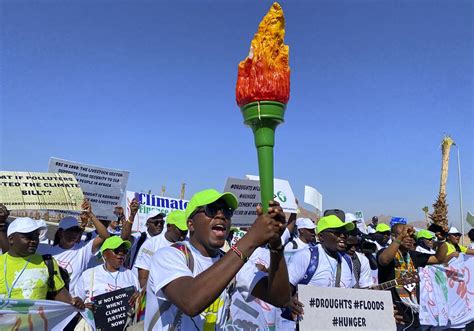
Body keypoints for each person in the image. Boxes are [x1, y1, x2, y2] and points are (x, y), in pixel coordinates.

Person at [144, 189, 290, 330]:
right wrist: (251, 238)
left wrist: (276, 245)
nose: (221, 215)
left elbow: (280, 298)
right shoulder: (168, 256)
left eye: (226, 211)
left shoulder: (230, 262)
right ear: (191, 224)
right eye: (211, 209)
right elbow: (189, 301)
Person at [0, 217, 84, 309]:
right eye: (28, 237)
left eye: (36, 237)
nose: (34, 241)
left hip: (36, 322)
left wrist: (74, 302)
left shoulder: (47, 263)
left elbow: (59, 294)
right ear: (11, 239)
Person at [377, 224, 448, 330]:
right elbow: (384, 260)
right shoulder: (384, 252)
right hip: (394, 318)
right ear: (393, 236)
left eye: (411, 236)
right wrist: (400, 237)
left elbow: (439, 258)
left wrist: (441, 241)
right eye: (405, 235)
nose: (409, 239)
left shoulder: (413, 255)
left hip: (413, 317)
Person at [37, 199, 110, 293]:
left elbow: (105, 235)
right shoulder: (46, 251)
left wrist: (91, 215)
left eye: (76, 230)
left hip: (72, 302)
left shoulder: (83, 250)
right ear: (60, 233)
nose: (73, 233)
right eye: (70, 230)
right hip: (50, 301)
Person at [288, 214, 356, 289]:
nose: (343, 236)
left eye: (345, 233)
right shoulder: (305, 257)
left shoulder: (347, 260)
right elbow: (284, 292)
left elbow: (352, 293)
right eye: (337, 232)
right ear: (321, 237)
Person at [74, 236, 140, 305]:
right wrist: (85, 306)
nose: (121, 254)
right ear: (105, 254)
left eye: (124, 251)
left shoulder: (131, 275)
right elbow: (77, 303)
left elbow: (138, 301)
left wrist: (139, 296)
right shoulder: (88, 275)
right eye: (117, 250)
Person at [134, 210, 188, 287]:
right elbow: (143, 278)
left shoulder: (189, 244)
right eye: (180, 230)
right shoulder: (150, 245)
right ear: (169, 226)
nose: (183, 235)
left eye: (185, 231)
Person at [121, 199, 166, 269]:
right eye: (156, 222)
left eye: (162, 222)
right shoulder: (140, 237)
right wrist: (132, 215)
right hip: (136, 278)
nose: (159, 225)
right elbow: (124, 239)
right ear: (147, 224)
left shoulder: (165, 241)